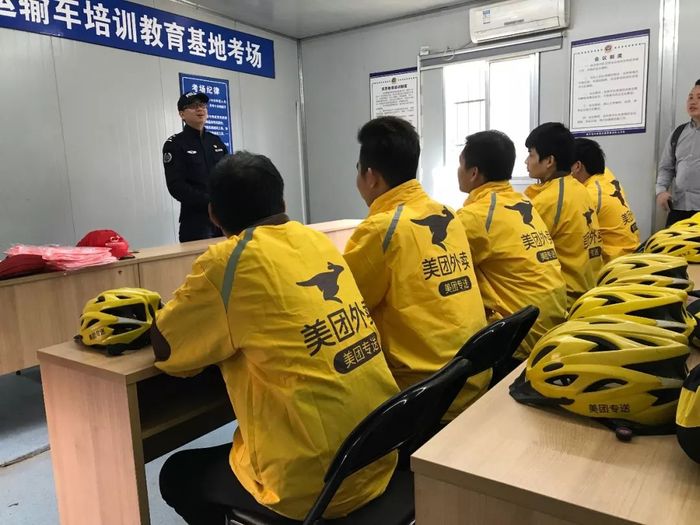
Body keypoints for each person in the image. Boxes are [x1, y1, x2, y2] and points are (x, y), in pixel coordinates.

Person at [153, 151, 399, 524]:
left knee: (177, 474)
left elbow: (167, 347)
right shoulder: (317, 242)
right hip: (377, 456)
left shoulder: (226, 263)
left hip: (315, 486)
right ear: (282, 202)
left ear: (213, 215)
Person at [343, 116, 489, 420]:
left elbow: (349, 305)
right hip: (473, 377)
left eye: (357, 169)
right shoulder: (448, 214)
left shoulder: (380, 230)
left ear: (371, 176)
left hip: (423, 394)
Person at [456, 130, 567, 374]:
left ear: (473, 173)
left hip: (519, 341)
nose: (458, 170)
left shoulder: (475, 216)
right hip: (552, 323)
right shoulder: (522, 202)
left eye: (461, 164)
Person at [524, 122, 603, 308]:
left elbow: (522, 255)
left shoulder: (549, 200)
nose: (526, 161)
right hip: (590, 290)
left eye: (531, 154)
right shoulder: (579, 188)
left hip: (566, 300)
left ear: (549, 161)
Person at [163, 91, 228, 242]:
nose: (200, 109)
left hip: (223, 218)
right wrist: (209, 202)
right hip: (196, 220)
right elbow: (176, 186)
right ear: (182, 114)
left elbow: (229, 174)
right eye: (193, 106)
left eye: (203, 105)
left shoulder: (215, 141)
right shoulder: (175, 144)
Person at [571, 138, 640, 262]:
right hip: (634, 249)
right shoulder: (606, 175)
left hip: (615, 261)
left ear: (577, 166)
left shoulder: (590, 195)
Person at [656, 79, 700, 227]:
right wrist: (661, 191)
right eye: (690, 97)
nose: (693, 101)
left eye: (699, 97)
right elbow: (666, 168)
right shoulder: (678, 133)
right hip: (678, 209)